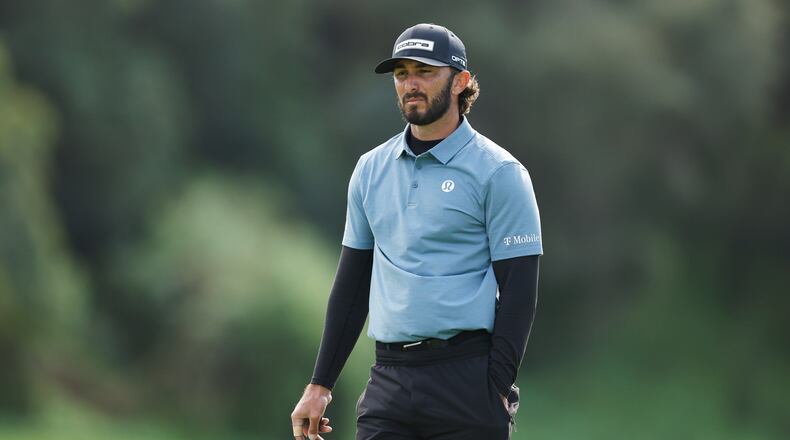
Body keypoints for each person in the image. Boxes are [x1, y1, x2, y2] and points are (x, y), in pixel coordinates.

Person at [290, 23, 542, 440]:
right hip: (390, 380)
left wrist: (497, 385)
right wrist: (320, 385)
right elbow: (353, 286)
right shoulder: (370, 169)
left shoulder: (499, 173)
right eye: (402, 74)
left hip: (467, 380)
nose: (411, 84)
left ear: (460, 82)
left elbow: (519, 290)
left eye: (425, 72)